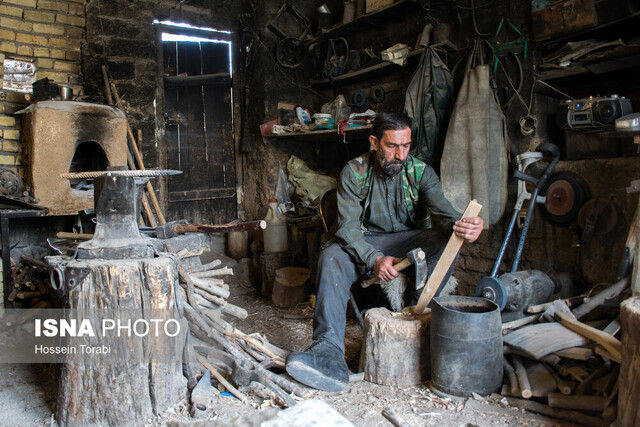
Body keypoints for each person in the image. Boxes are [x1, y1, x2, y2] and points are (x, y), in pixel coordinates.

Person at [286, 112, 484, 392]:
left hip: (408, 239)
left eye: (406, 146)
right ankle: (327, 350)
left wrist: (463, 226)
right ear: (374, 142)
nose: (400, 155)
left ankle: (417, 306)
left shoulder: (420, 172)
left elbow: (444, 213)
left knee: (446, 239)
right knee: (330, 255)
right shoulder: (355, 172)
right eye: (392, 146)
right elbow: (347, 228)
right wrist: (373, 258)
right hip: (367, 240)